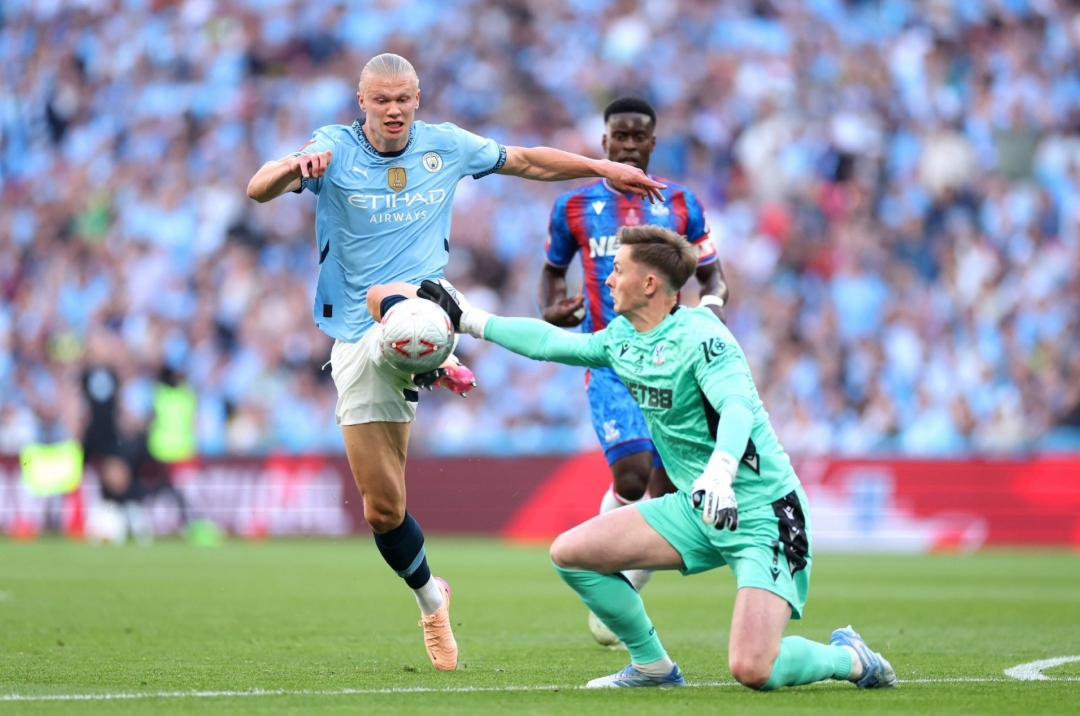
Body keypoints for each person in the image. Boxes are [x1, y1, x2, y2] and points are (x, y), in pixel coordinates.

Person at [245, 53, 665, 672]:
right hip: (356, 337)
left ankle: (438, 350)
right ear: (361, 103)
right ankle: (429, 599)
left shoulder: (446, 147)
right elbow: (258, 189)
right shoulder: (332, 148)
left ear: (418, 100)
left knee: (415, 307)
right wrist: (291, 167)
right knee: (382, 510)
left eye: (404, 99)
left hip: (425, 303)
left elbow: (525, 159)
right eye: (381, 100)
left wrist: (601, 166)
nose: (393, 110)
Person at [414, 225, 896, 690]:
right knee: (571, 554)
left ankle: (848, 657)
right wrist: (469, 320)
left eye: (616, 269)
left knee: (753, 669)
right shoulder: (621, 339)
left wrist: (722, 471)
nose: (606, 279)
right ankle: (650, 666)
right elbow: (551, 342)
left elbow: (737, 408)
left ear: (649, 283)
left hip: (763, 511)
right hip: (696, 506)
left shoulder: (703, 334)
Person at [538, 97, 729, 629]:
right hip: (609, 357)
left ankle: (627, 583)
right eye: (617, 136)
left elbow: (714, 278)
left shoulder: (682, 204)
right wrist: (552, 307)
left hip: (672, 361)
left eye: (637, 136)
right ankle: (606, 568)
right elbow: (552, 272)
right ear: (604, 143)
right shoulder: (573, 207)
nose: (627, 144)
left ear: (651, 142)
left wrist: (707, 314)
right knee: (631, 473)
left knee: (666, 483)